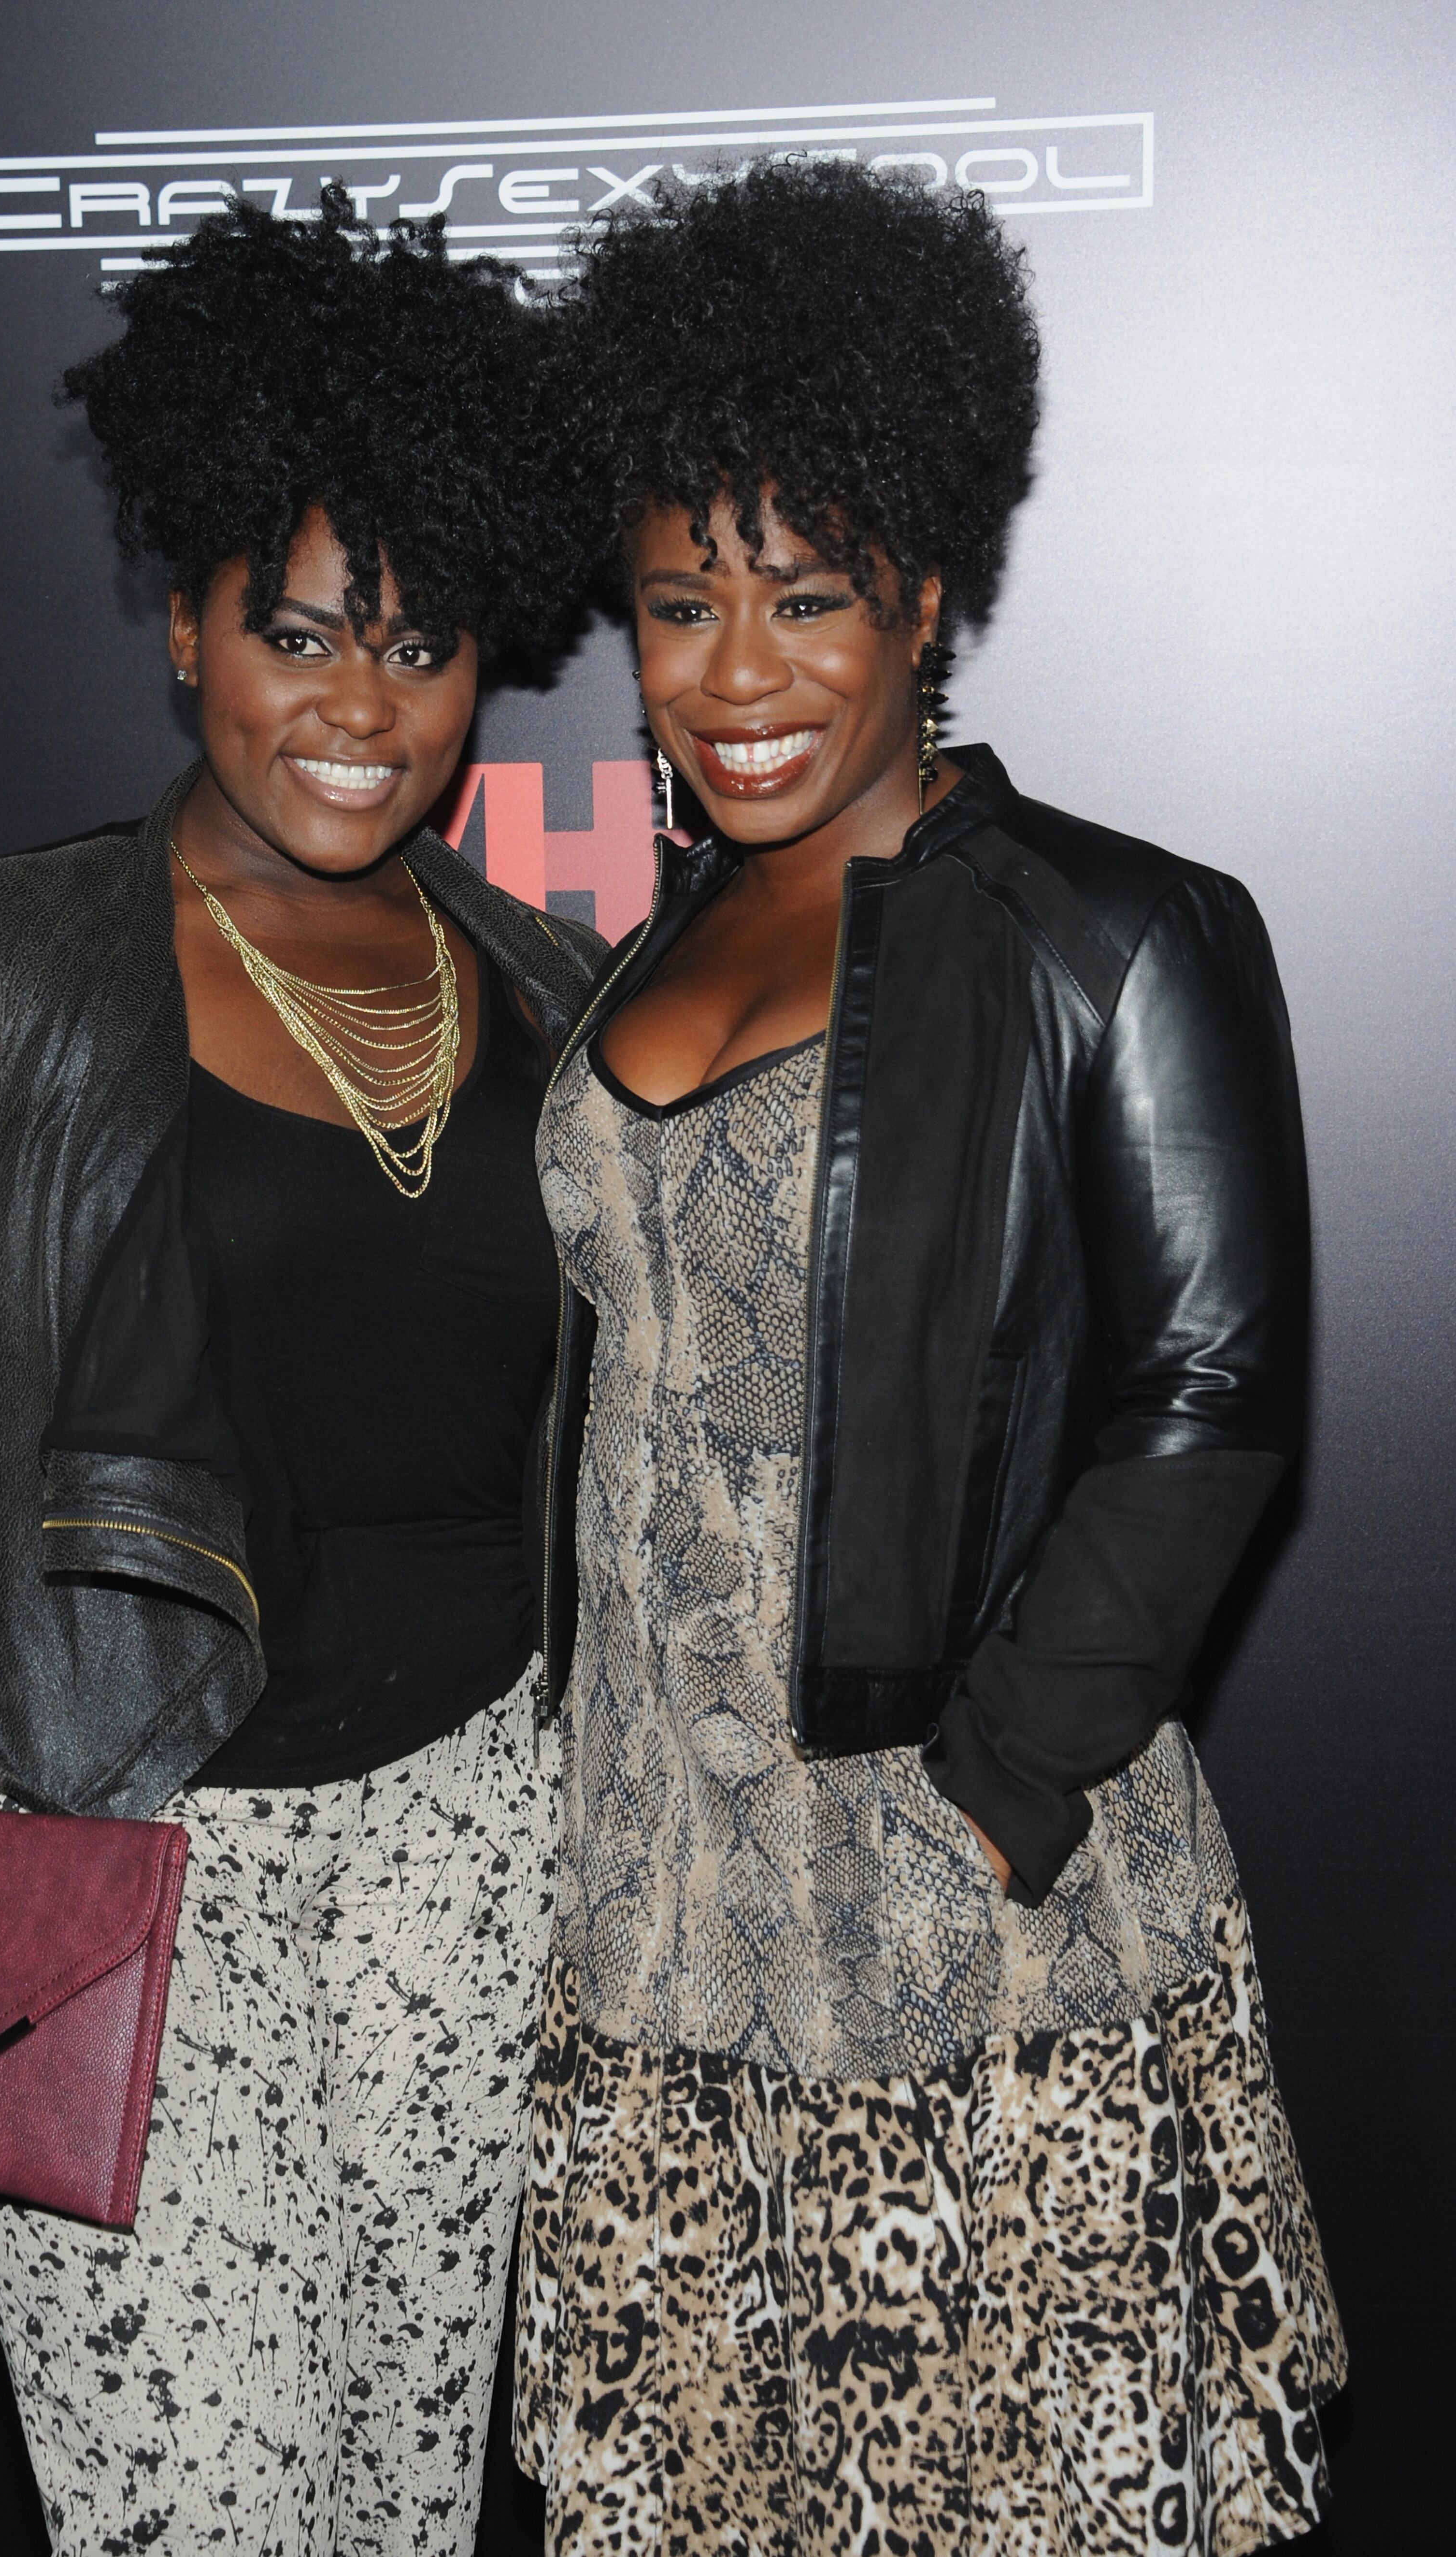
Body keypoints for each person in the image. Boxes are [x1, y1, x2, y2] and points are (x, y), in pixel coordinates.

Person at [0, 195, 603, 2557]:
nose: (358, 704)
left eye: (417, 645)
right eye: (294, 630)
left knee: (398, 2514)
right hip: (113, 1847)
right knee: (202, 2515)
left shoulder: (549, 990)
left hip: (465, 1875)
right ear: (189, 623)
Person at [514, 161, 1344, 2555]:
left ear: (932, 596)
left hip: (966, 1935)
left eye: (808, 596)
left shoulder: (1117, 933)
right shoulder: (632, 965)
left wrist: (994, 1790)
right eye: (682, 606)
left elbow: (1213, 1402)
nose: (738, 672)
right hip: (654, 1943)